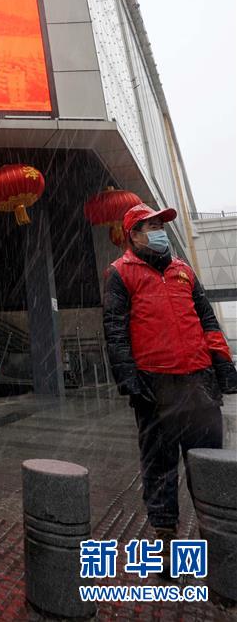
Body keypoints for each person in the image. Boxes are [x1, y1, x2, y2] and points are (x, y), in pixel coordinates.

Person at [103, 202, 237, 573]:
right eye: (152, 226)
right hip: (155, 387)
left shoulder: (184, 271)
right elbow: (115, 331)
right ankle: (165, 541)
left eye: (162, 225)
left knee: (208, 464)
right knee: (159, 468)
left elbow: (208, 321)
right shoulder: (120, 273)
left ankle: (217, 537)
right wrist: (129, 380)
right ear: (134, 235)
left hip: (199, 383)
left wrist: (224, 366)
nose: (160, 231)